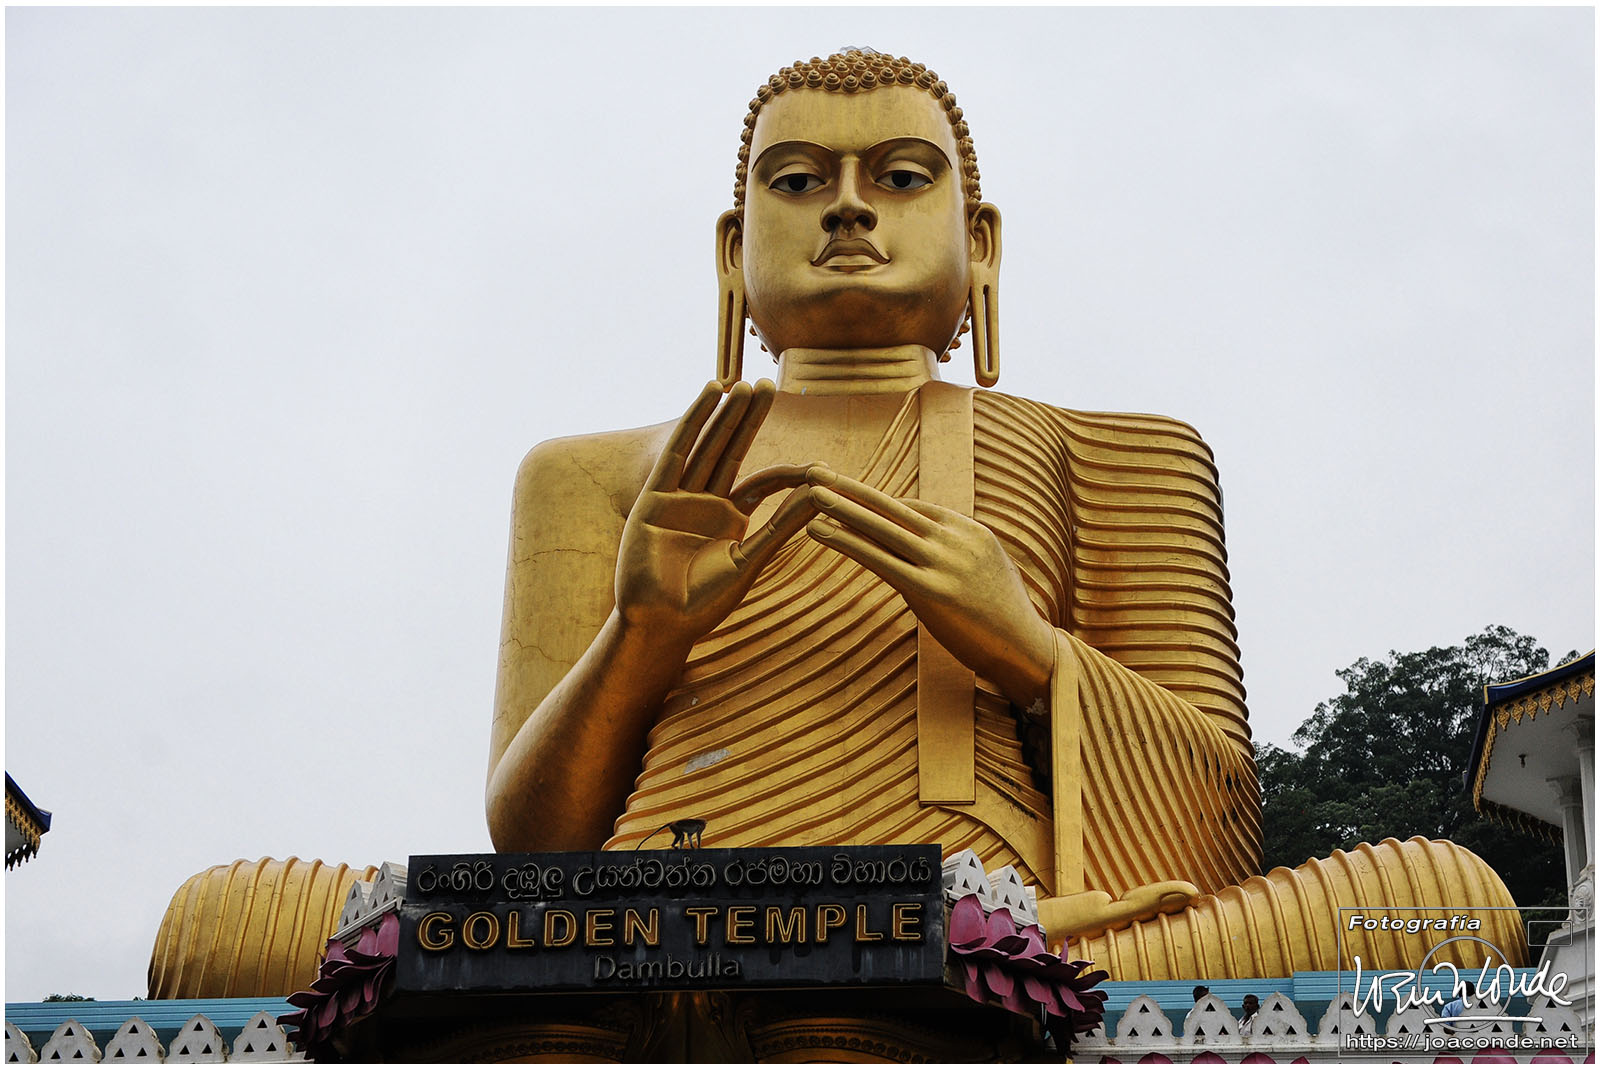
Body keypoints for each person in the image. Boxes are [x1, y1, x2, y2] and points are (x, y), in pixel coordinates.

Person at [486, 49, 1526, 979]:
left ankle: (956, 947)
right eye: (797, 181)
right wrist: (641, 639)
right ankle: (925, 952)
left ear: (979, 243)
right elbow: (531, 851)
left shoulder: (1119, 452)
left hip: (1000, 920)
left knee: (1444, 903)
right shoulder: (598, 475)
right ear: (732, 249)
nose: (847, 210)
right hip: (654, 921)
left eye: (900, 177)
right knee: (407, 921)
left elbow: (1216, 822)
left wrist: (1027, 649)